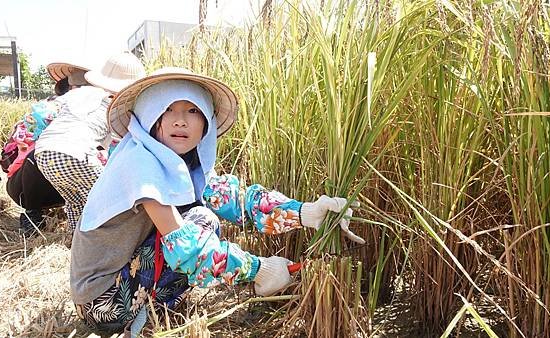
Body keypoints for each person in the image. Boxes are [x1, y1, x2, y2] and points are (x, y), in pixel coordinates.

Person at [71, 67, 364, 334]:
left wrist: (306, 212)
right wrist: (259, 270)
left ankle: (152, 311)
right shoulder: (141, 163)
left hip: (116, 287)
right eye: (167, 109)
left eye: (193, 111)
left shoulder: (180, 164)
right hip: (103, 303)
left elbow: (235, 199)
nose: (181, 121)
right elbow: (189, 249)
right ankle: (142, 319)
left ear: (206, 123)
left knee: (203, 211)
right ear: (151, 117)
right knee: (201, 221)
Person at [34, 52, 146, 232]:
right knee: (106, 198)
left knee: (75, 202)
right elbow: (123, 143)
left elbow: (46, 110)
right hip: (75, 152)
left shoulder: (81, 92)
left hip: (43, 154)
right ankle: (100, 241)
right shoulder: (117, 106)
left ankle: (74, 239)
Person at [2, 62, 90, 235]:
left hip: (64, 185)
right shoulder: (48, 109)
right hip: (25, 187)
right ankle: (32, 213)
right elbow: (23, 137)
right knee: (42, 152)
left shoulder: (95, 111)